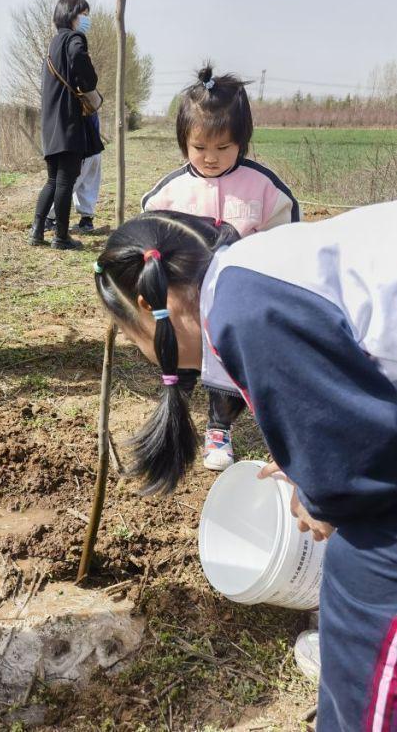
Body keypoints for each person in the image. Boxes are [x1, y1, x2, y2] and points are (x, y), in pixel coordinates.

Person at [93, 204, 397, 731]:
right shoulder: (250, 274)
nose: (141, 349)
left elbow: (361, 474)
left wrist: (324, 495)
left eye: (129, 330)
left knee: (360, 581)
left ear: (148, 304)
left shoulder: (245, 311)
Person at [141, 64, 300, 472]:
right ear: (183, 143)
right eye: (199, 149)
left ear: (242, 142)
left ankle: (219, 427)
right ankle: (173, 413)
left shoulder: (263, 187)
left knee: (226, 366)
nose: (210, 159)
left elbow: (287, 237)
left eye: (223, 148)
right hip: (187, 303)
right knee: (183, 361)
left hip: (234, 301)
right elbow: (148, 234)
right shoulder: (170, 191)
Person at [29, 0, 104, 250]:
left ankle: (37, 232)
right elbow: (79, 60)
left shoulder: (52, 45)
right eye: (84, 14)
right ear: (72, 15)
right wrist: (89, 82)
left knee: (52, 180)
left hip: (50, 122)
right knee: (65, 180)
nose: (86, 19)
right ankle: (61, 237)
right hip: (68, 121)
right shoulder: (74, 38)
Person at [46, 112, 105, 234]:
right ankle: (86, 220)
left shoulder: (75, 98)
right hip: (92, 145)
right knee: (86, 183)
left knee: (68, 184)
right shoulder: (89, 97)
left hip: (84, 147)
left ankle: (50, 218)